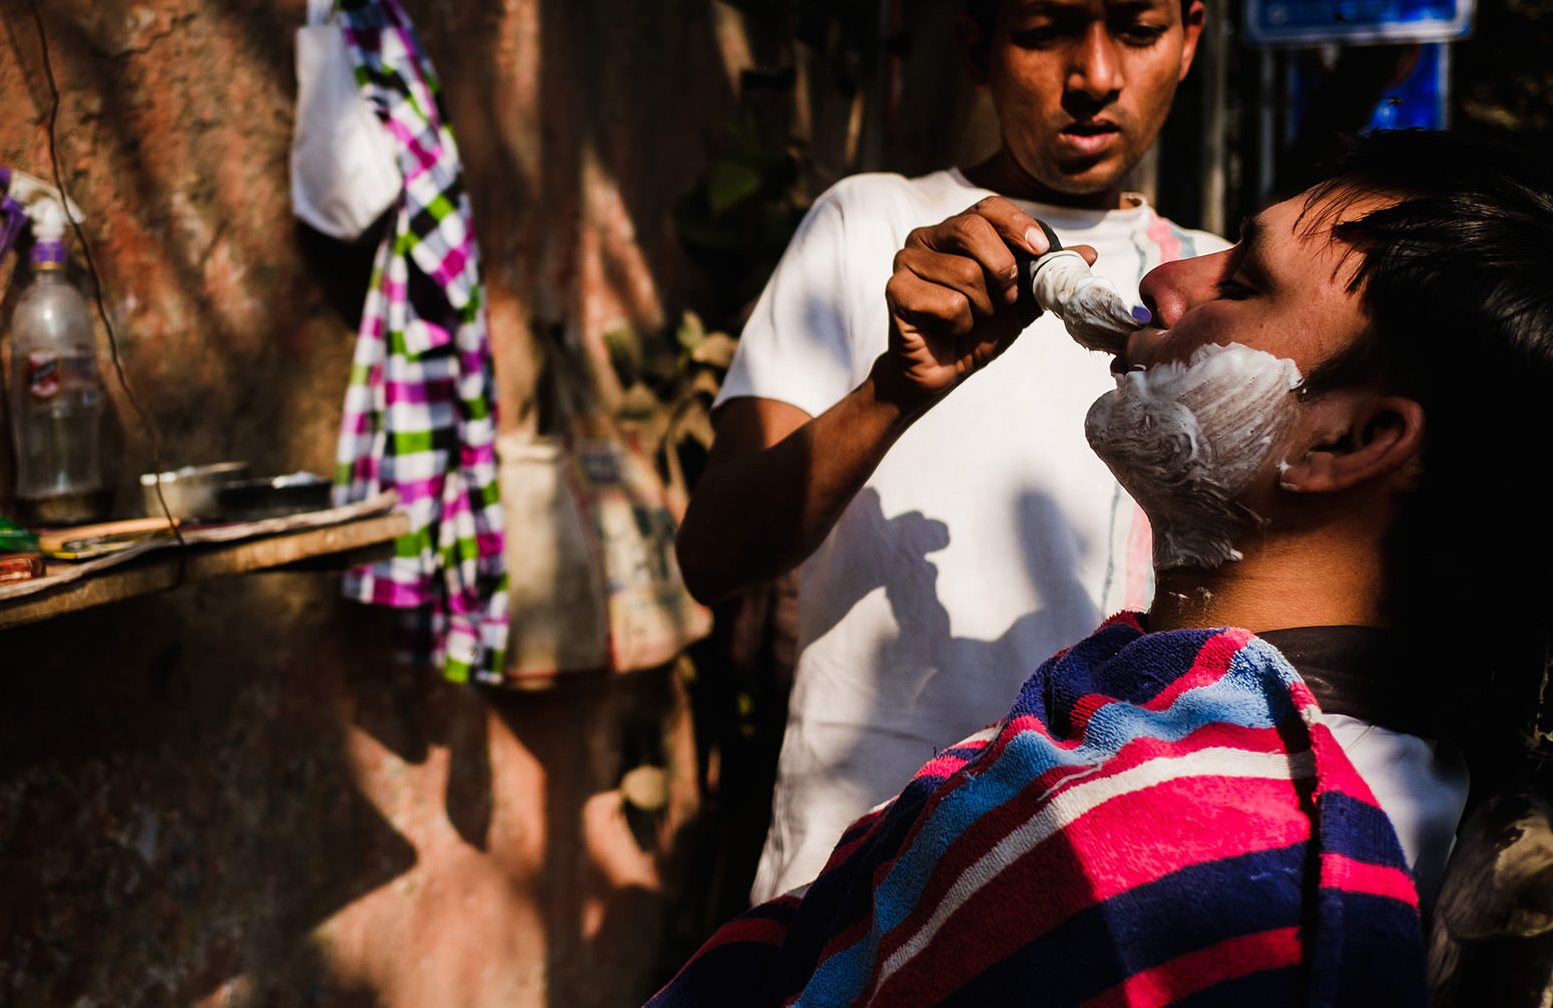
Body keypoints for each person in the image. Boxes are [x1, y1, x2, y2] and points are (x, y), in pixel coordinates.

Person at [650, 130, 1553, 1005]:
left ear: (1350, 439)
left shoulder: (1210, 866)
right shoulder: (1140, 748)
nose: (1161, 281)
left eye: (1238, 283)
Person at [677, 0, 1226, 900]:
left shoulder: (1203, 286)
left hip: (1101, 884)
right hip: (857, 878)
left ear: (1189, 38)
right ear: (976, 48)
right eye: (1044, 29)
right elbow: (713, 551)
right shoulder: (867, 228)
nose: (1094, 74)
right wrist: (896, 387)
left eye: (1138, 29)